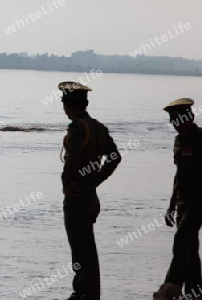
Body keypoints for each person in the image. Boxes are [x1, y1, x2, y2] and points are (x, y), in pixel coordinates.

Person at [60, 81, 121, 300]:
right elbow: (115, 157)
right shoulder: (98, 127)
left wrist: (68, 184)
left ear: (68, 104)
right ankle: (89, 293)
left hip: (77, 199)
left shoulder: (78, 127)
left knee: (80, 251)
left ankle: (84, 293)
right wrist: (95, 181)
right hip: (90, 198)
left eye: (64, 103)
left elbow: (72, 161)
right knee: (88, 252)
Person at [153, 98, 202, 300]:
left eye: (179, 120)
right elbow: (178, 175)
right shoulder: (179, 141)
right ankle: (195, 293)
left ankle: (171, 286)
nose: (176, 125)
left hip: (199, 201)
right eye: (173, 121)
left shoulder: (201, 140)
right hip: (183, 202)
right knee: (190, 249)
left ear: (189, 117)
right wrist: (171, 206)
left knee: (181, 240)